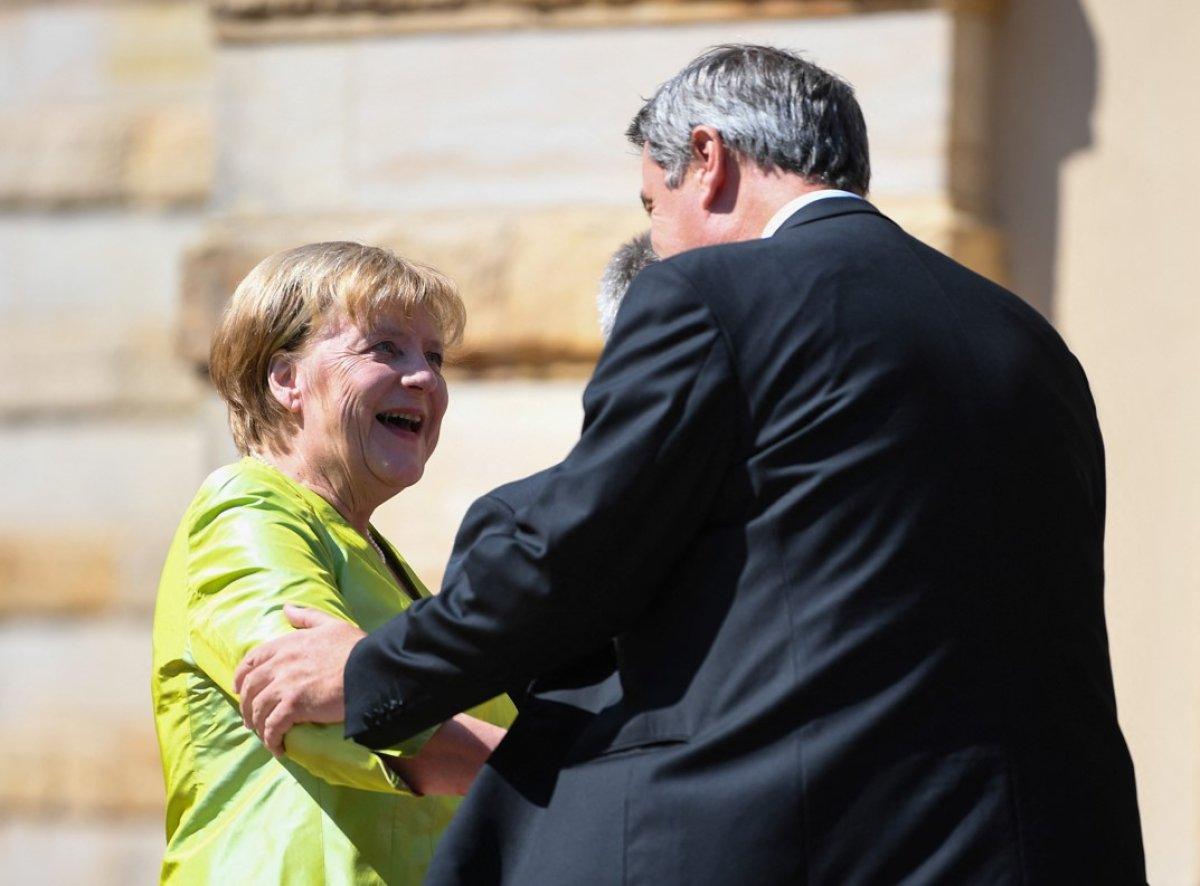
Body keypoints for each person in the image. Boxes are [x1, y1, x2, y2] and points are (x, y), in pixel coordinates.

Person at [235, 46, 1146, 883]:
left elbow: (576, 554)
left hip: (794, 836)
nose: (656, 240)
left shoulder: (711, 293)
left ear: (707, 160)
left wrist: (368, 674)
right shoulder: (1026, 340)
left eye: (650, 205)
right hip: (1041, 842)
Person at [150, 242, 514, 884]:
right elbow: (317, 715)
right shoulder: (245, 508)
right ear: (286, 379)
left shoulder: (374, 554)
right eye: (385, 349)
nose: (425, 377)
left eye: (433, 356)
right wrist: (572, 782)